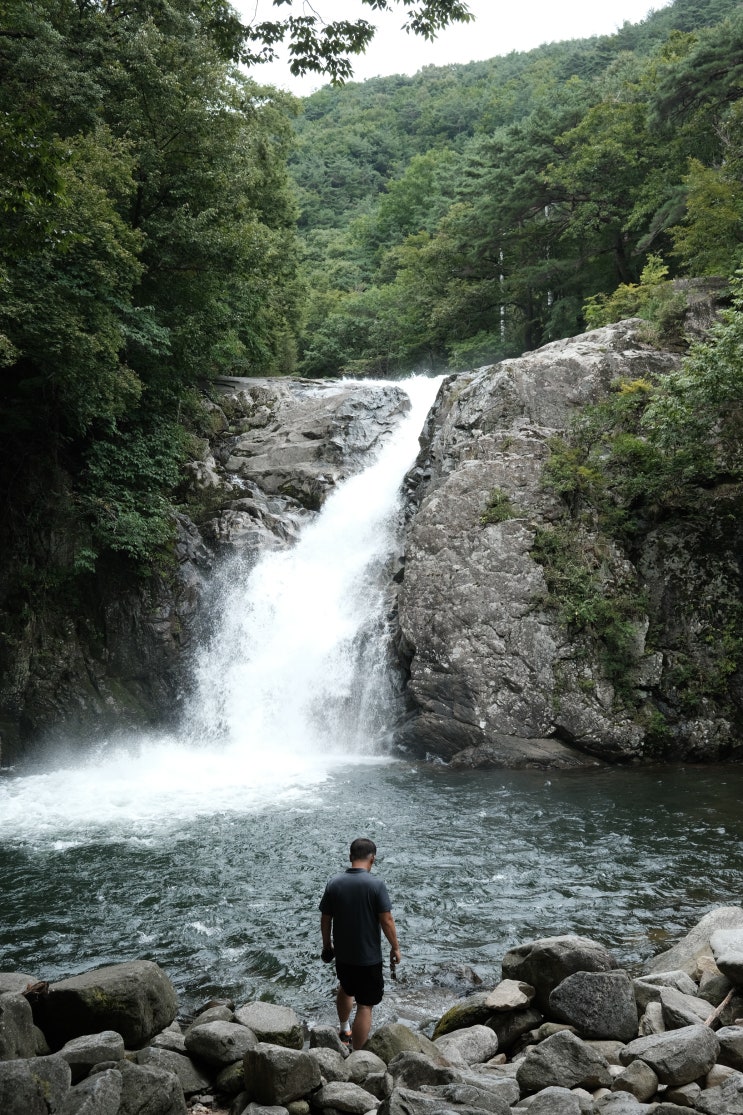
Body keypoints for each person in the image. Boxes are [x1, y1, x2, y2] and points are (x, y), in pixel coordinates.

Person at [319, 837, 401, 1050]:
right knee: (365, 1005)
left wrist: (327, 946)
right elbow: (387, 920)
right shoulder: (376, 885)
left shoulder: (334, 883)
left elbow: (326, 918)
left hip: (343, 956)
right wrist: (395, 947)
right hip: (368, 958)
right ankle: (358, 1054)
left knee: (346, 988)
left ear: (350, 857)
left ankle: (344, 1028)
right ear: (372, 859)